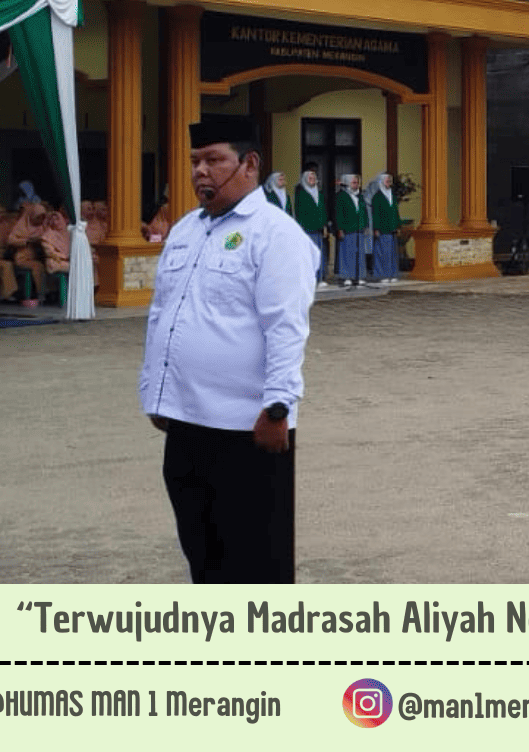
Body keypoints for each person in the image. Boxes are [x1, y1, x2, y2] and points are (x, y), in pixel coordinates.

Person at [139, 118, 316, 584]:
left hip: (248, 427)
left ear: (249, 164)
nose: (200, 171)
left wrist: (278, 408)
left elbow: (285, 328)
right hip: (186, 423)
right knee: (203, 551)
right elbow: (161, 315)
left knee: (256, 560)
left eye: (214, 160)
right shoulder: (185, 230)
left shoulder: (275, 234)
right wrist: (155, 395)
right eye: (195, 161)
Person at [293, 164, 329, 288]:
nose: (312, 180)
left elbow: (323, 210)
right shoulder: (301, 193)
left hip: (319, 229)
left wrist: (324, 225)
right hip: (307, 230)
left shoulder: (319, 193)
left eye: (314, 178)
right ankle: (309, 279)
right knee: (308, 255)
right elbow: (299, 212)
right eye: (310, 178)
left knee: (320, 254)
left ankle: (320, 278)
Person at [333, 173, 367, 288]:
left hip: (359, 229)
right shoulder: (341, 196)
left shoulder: (360, 196)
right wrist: (340, 229)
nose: (356, 185)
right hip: (347, 229)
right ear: (347, 183)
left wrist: (365, 225)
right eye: (354, 183)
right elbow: (338, 214)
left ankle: (359, 276)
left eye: (357, 183)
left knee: (359, 254)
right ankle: (346, 277)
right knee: (347, 254)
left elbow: (364, 212)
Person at [368, 172, 401, 283]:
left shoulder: (392, 196)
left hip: (392, 229)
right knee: (382, 253)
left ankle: (392, 274)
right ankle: (382, 275)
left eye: (390, 181)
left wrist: (398, 226)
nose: (389, 183)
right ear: (381, 182)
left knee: (392, 253)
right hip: (382, 229)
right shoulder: (377, 197)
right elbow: (375, 215)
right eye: (387, 181)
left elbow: (396, 212)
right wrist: (376, 228)